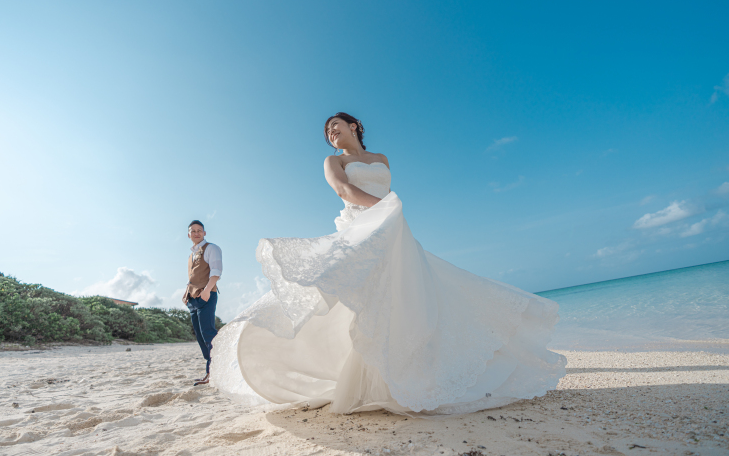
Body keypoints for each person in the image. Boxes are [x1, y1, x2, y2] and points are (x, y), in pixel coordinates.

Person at [212, 113, 566, 414]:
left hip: (394, 228)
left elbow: (383, 189)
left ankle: (411, 373)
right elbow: (343, 191)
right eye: (327, 132)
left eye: (336, 126)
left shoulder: (381, 157)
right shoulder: (334, 162)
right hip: (363, 227)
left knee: (409, 297)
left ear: (354, 126)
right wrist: (384, 207)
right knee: (360, 298)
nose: (331, 133)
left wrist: (389, 211)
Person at [183, 219, 222, 386]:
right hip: (193, 299)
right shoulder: (191, 255)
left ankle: (215, 372)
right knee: (200, 337)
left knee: (208, 334)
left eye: (199, 230)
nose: (196, 233)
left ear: (204, 233)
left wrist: (206, 291)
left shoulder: (211, 248)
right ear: (189, 235)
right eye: (193, 231)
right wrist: (186, 295)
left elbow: (216, 271)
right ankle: (209, 372)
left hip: (206, 295)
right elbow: (193, 277)